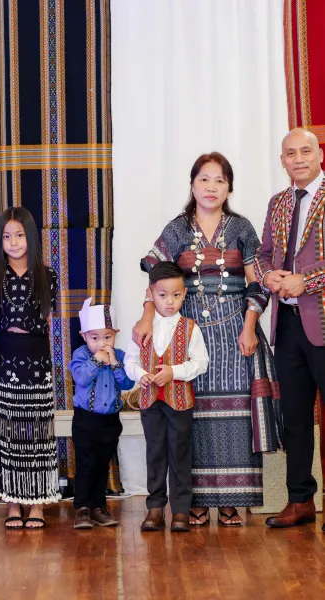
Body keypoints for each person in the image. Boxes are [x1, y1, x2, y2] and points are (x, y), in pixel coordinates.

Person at [134, 152, 281, 526]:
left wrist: (250, 326)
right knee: (190, 416)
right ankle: (194, 502)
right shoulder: (177, 229)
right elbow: (155, 274)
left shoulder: (242, 228)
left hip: (235, 332)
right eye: (204, 179)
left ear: (229, 187)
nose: (211, 187)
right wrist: (147, 316)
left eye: (219, 180)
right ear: (192, 184)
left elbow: (256, 282)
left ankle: (231, 501)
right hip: (187, 333)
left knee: (235, 413)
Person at [255, 128, 325, 529]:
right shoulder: (278, 202)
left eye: (305, 151)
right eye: (290, 153)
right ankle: (300, 501)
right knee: (294, 417)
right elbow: (263, 254)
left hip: (323, 322)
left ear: (319, 155)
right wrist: (267, 276)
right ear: (282, 160)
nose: (298, 159)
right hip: (288, 327)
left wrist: (306, 280)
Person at [0, 207, 60, 529]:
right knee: (6, 432)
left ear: (31, 237)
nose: (13, 242)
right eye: (6, 236)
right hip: (5, 360)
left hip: (37, 361)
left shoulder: (47, 276)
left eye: (19, 235)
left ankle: (37, 503)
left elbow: (47, 321)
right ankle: (12, 503)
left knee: (36, 433)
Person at [125, 262, 208, 532]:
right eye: (162, 295)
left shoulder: (190, 328)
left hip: (179, 402)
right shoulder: (142, 327)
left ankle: (181, 510)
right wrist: (141, 375)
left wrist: (175, 372)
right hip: (150, 403)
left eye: (176, 295)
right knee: (155, 453)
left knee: (180, 454)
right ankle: (155, 508)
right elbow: (130, 361)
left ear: (184, 294)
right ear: (151, 294)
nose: (170, 302)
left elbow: (201, 363)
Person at [69, 298, 134, 529]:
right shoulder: (80, 355)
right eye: (94, 338)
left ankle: (99, 506)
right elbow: (80, 378)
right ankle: (82, 508)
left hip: (110, 421)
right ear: (84, 336)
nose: (101, 343)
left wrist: (114, 363)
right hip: (85, 420)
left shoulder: (121, 356)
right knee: (86, 464)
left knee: (102, 464)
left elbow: (127, 383)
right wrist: (97, 361)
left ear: (116, 334)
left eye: (107, 337)